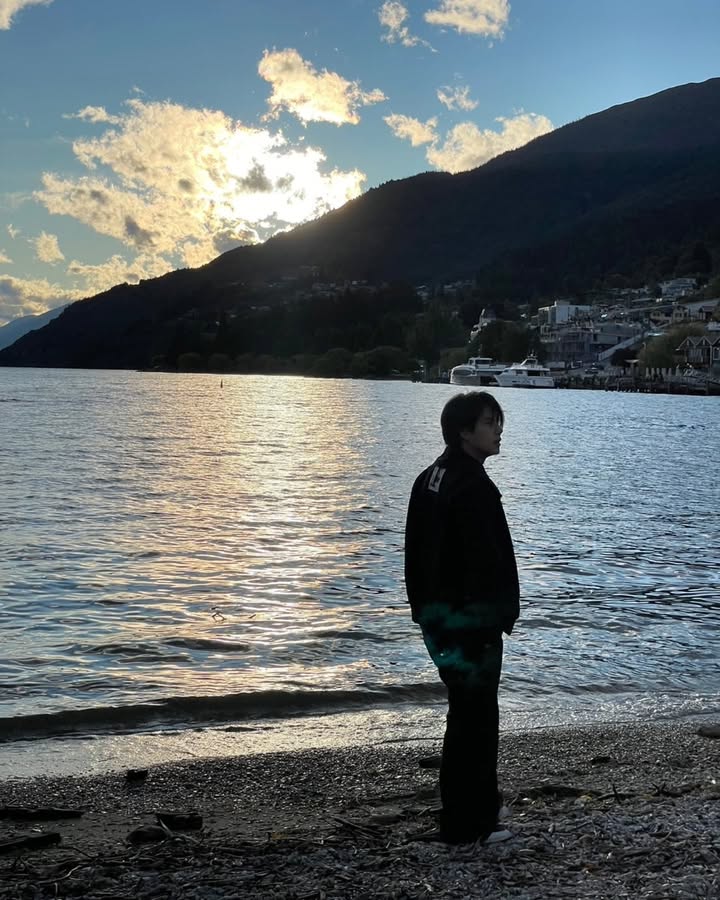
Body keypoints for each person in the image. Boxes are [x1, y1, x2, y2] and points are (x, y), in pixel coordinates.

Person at [404, 391, 520, 845]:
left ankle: (473, 807)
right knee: (476, 718)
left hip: (439, 620)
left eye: (497, 421)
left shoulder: (430, 477)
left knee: (466, 713)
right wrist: (497, 616)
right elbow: (486, 562)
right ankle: (472, 823)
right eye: (489, 423)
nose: (498, 430)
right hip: (470, 623)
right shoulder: (472, 486)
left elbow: (414, 555)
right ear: (464, 431)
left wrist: (423, 613)